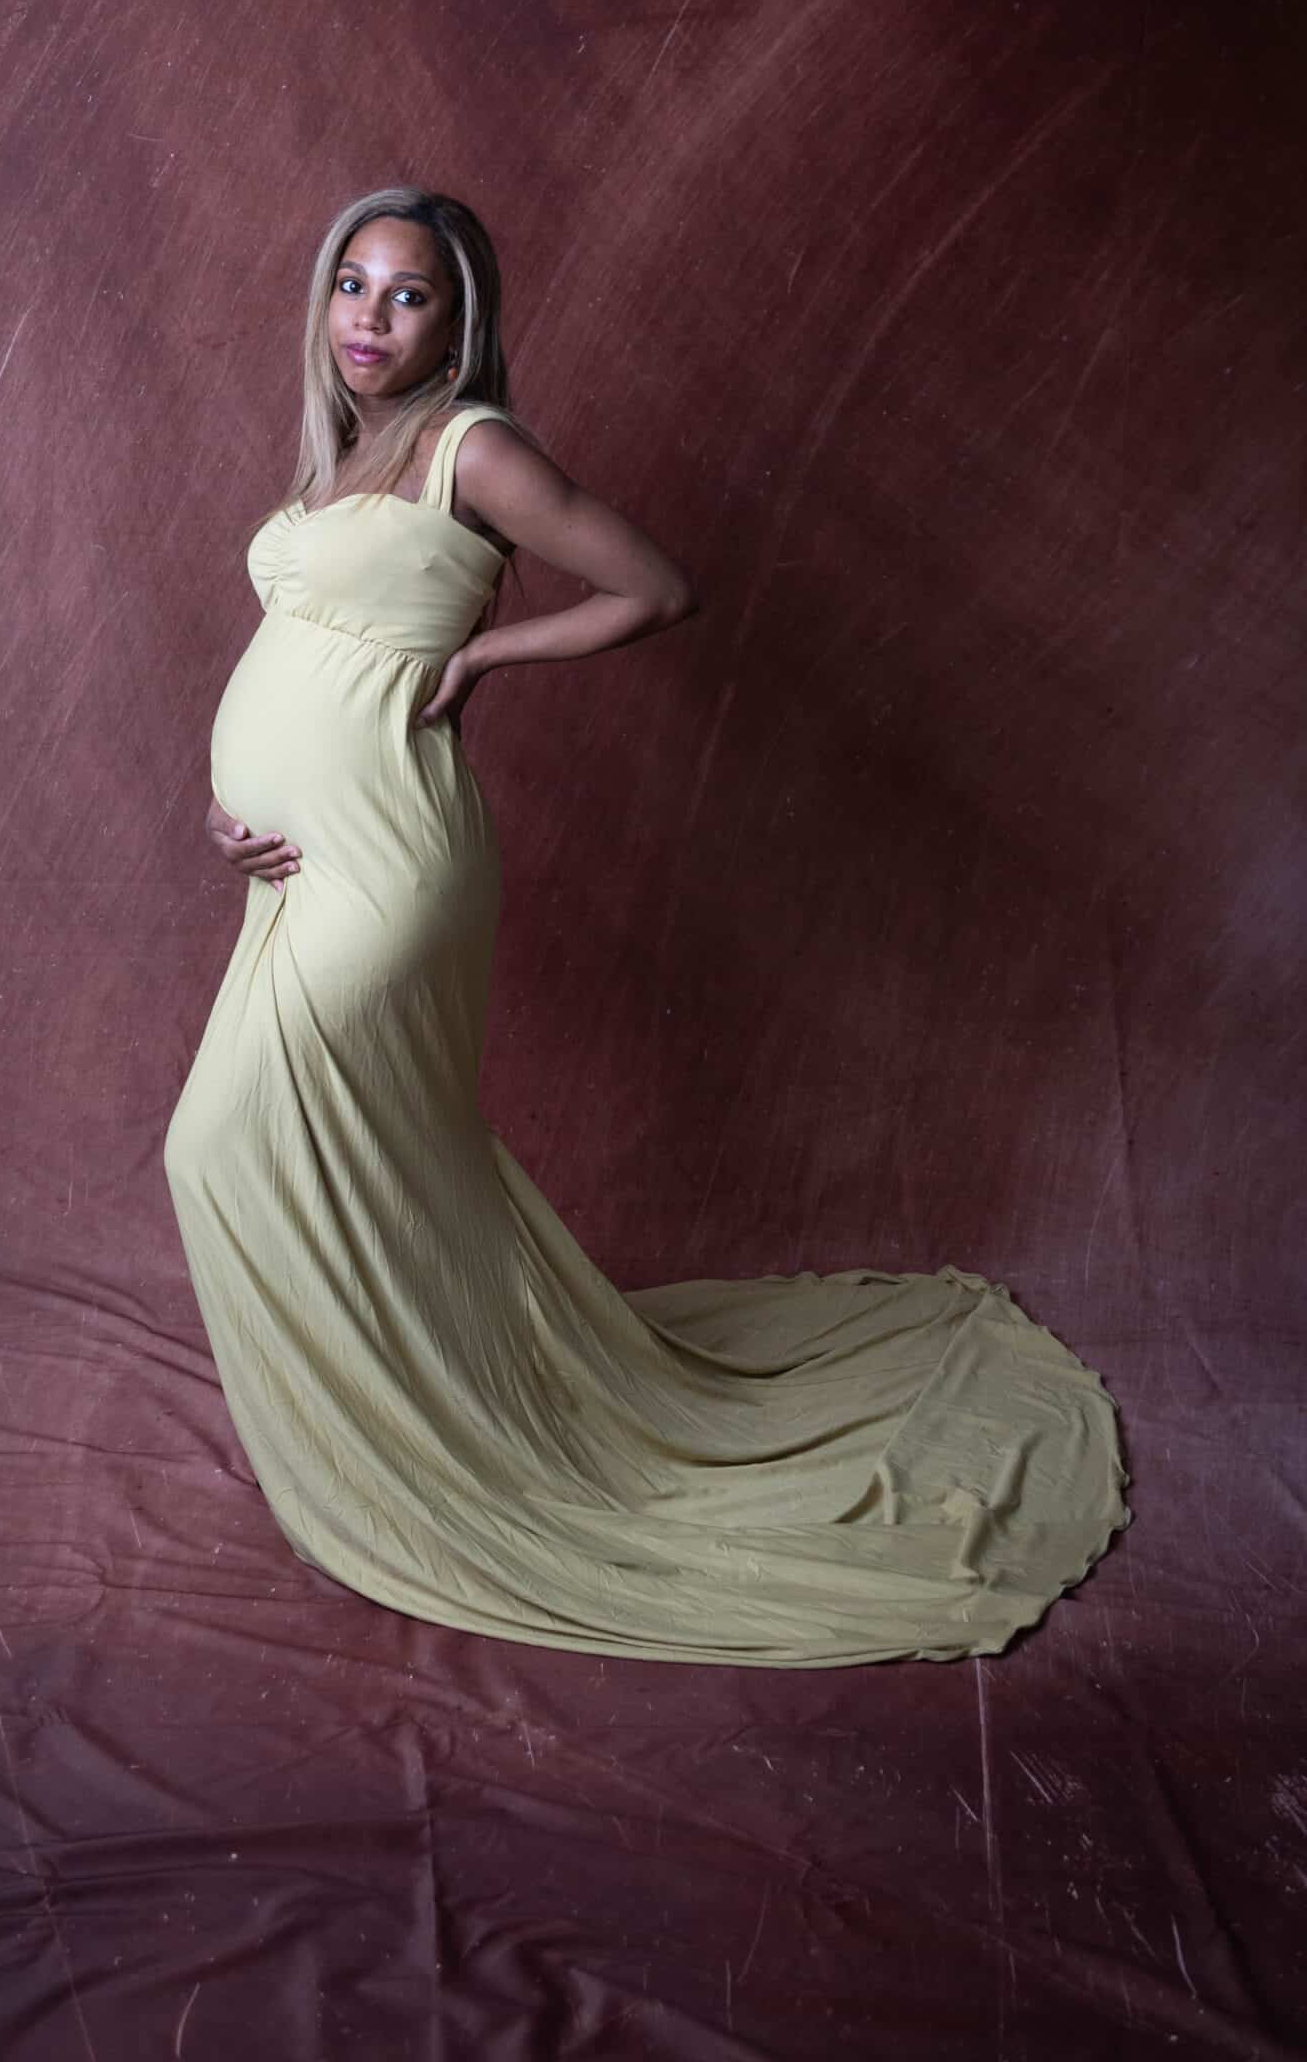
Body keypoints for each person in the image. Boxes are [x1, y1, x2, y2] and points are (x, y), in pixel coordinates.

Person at [162, 185, 1127, 1665]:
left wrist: (484, 653)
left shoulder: (470, 447)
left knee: (224, 1139)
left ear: (458, 320)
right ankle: (388, 1431)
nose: (368, 316)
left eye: (407, 295)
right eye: (351, 285)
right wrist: (232, 805)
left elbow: (654, 589)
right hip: (289, 874)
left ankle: (424, 1455)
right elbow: (307, 646)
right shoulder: (350, 451)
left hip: (389, 863)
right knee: (379, 1157)